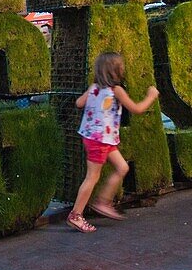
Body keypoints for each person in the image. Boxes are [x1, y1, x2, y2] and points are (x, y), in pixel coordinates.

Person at [68, 52, 160, 233]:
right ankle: (76, 215)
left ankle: (103, 201)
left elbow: (79, 103)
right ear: (116, 71)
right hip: (100, 140)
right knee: (92, 177)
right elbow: (137, 109)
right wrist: (151, 96)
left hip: (96, 137)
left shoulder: (94, 87)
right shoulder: (116, 90)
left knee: (122, 167)